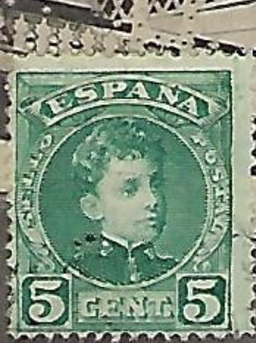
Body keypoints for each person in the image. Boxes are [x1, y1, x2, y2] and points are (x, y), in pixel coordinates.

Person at [66, 118, 178, 287]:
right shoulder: (77, 273)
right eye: (129, 190)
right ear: (92, 206)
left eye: (156, 186)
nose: (152, 200)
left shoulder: (173, 272)